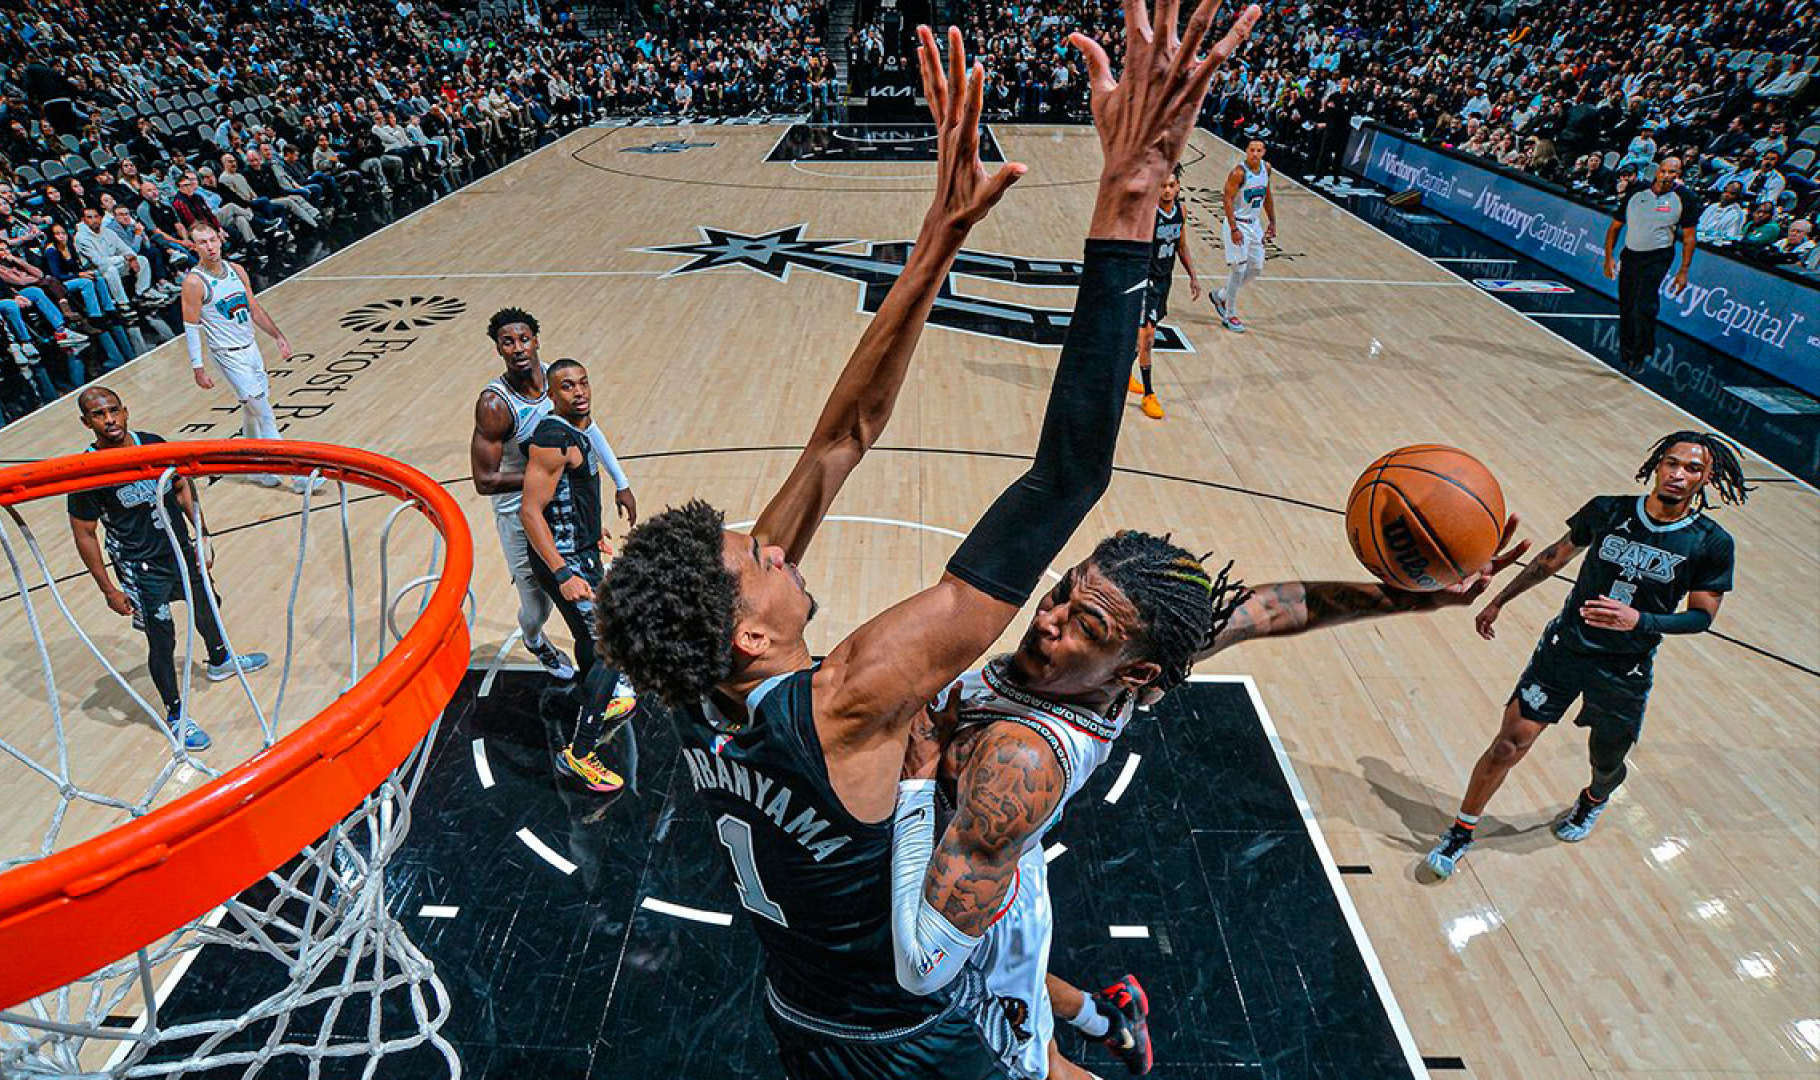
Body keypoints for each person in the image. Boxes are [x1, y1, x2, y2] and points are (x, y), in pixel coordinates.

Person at [594, 11, 1258, 1076]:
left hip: (796, 1007)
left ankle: (1094, 1027)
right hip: (898, 1042)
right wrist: (1128, 202)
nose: (773, 543)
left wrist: (940, 235)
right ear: (751, 635)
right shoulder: (849, 693)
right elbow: (1066, 478)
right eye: (755, 557)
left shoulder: (691, 679)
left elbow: (842, 436)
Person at [893, 519, 1525, 1078]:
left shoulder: (1023, 759)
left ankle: (1104, 1024)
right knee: (1024, 990)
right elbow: (1270, 608)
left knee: (1033, 1065)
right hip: (985, 860)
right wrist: (1412, 597)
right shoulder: (1125, 667)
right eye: (1064, 594)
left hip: (967, 882)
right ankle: (1109, 1017)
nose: (1047, 618)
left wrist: (920, 775)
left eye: (1084, 624)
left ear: (1133, 672)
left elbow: (924, 965)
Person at [1425, 433, 1746, 879]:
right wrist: (1500, 600)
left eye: (1692, 468)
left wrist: (1640, 620)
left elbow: (1701, 617)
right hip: (1566, 649)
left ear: (1706, 477)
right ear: (1657, 465)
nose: (1679, 474)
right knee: (1507, 745)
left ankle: (1594, 799)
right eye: (1672, 463)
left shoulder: (1711, 542)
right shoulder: (1607, 510)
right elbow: (1552, 558)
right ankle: (1461, 832)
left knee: (1607, 762)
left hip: (1625, 667)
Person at [67, 386, 271, 752]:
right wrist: (108, 589)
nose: (109, 419)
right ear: (86, 422)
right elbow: (84, 533)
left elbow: (182, 488)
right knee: (162, 638)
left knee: (209, 605)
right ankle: (176, 714)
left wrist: (202, 533)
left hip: (179, 551)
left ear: (125, 411)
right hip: (141, 566)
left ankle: (220, 659)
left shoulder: (153, 444)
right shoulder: (87, 470)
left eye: (113, 410)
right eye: (99, 415)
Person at [470, 306, 635, 684]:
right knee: (538, 605)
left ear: (536, 341)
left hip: (560, 505)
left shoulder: (560, 382)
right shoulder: (495, 405)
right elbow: (485, 480)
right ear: (498, 349)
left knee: (589, 609)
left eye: (524, 339)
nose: (517, 348)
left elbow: (590, 429)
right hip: (519, 511)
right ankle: (534, 639)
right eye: (507, 342)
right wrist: (546, 475)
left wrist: (621, 482)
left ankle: (603, 677)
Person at [517, 357, 640, 793]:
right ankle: (580, 754)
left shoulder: (578, 430)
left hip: (580, 549)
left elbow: (569, 495)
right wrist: (563, 572)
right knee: (612, 645)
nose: (580, 391)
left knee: (594, 639)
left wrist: (592, 529)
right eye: (568, 386)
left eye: (584, 382)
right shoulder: (553, 439)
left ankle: (598, 702)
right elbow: (530, 512)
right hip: (566, 561)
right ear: (552, 395)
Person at [178, 222, 322, 493]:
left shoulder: (236, 270)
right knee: (266, 415)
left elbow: (253, 307)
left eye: (212, 240)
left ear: (220, 239)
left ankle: (255, 468)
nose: (210, 247)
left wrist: (277, 335)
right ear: (194, 247)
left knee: (251, 411)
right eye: (202, 242)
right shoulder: (194, 282)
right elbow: (191, 326)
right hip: (227, 355)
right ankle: (299, 476)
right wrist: (198, 367)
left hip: (251, 348)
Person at [1603, 156, 1698, 377]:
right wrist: (1608, 258)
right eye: (1663, 171)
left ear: (1679, 175)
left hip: (1658, 255)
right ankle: (1626, 353)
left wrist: (1683, 270)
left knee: (1643, 304)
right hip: (1631, 254)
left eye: (1672, 172)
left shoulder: (1685, 198)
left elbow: (1689, 238)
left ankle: (1640, 354)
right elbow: (1615, 226)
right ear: (1657, 171)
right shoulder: (1637, 193)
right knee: (1627, 305)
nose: (1666, 176)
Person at [1127, 166, 1197, 421]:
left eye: (1171, 186)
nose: (1167, 190)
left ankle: (1124, 371)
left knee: (1145, 336)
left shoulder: (1181, 211)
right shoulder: (1148, 214)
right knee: (1147, 335)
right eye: (1162, 186)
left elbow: (1181, 246)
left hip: (1164, 280)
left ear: (1178, 188)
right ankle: (1149, 393)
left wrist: (1193, 276)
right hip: (1145, 280)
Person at [1207, 139, 1275, 334]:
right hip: (1238, 224)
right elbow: (1227, 199)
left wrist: (1272, 221)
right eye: (1252, 150)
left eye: (1259, 150)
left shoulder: (1266, 169)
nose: (1255, 154)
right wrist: (1233, 228)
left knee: (1256, 269)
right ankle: (1229, 315)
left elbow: (1267, 195)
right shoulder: (1239, 173)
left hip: (1255, 225)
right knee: (1238, 270)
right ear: (1246, 151)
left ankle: (1221, 295)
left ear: (1264, 152)